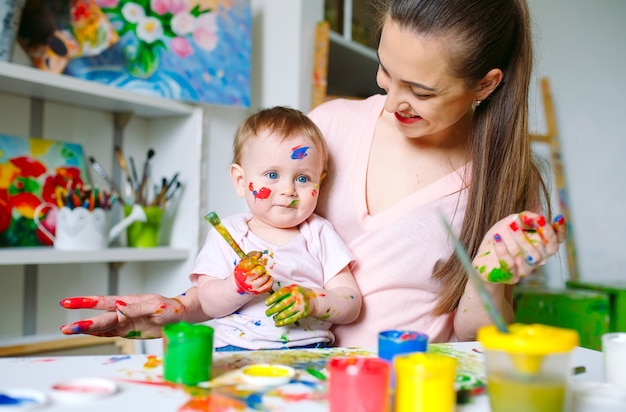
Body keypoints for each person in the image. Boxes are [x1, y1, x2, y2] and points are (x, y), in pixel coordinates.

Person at [59, 0, 567, 348]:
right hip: (281, 382)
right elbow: (262, 263)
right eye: (385, 71)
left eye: (420, 90)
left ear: (485, 84)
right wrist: (177, 308)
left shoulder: (504, 179)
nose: (390, 103)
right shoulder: (324, 131)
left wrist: (488, 275)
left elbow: (475, 337)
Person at [62, 107, 362, 350]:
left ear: (319, 181)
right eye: (272, 174)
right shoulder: (228, 234)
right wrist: (237, 285)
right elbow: (208, 302)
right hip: (236, 352)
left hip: (310, 353)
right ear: (241, 181)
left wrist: (312, 300)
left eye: (303, 178)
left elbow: (351, 302)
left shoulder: (319, 233)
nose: (288, 189)